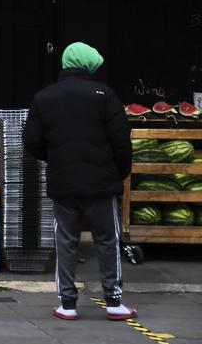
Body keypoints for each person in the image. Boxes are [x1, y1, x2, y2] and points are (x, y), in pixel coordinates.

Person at [23, 42, 137, 321]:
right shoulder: (104, 95)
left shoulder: (44, 97)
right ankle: (114, 301)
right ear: (88, 66)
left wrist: (56, 160)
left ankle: (68, 304)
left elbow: (31, 142)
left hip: (64, 182)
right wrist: (119, 172)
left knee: (65, 242)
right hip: (102, 182)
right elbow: (122, 141)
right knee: (108, 240)